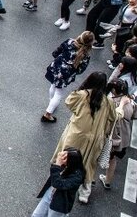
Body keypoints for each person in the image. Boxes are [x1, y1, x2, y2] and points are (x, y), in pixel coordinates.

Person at [51, 71, 120, 204]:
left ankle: (57, 184)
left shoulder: (82, 95)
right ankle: (85, 193)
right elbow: (113, 117)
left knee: (66, 158)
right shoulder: (108, 101)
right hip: (95, 139)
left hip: (76, 134)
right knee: (89, 164)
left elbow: (69, 103)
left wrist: (82, 88)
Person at [43, 31, 95, 123]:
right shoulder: (86, 55)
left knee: (53, 85)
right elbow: (80, 70)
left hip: (56, 67)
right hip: (65, 75)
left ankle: (51, 102)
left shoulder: (69, 42)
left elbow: (55, 53)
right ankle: (48, 113)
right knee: (58, 93)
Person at [99, 80, 137, 190]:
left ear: (113, 90)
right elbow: (136, 115)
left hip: (112, 137)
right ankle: (107, 181)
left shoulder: (111, 103)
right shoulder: (130, 101)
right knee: (113, 159)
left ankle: (90, 181)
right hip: (124, 137)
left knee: (100, 156)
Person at [33, 147, 86, 217]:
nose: (61, 158)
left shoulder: (77, 176)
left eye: (65, 157)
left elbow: (57, 184)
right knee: (36, 215)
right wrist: (57, 165)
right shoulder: (66, 166)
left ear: (71, 161)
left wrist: (57, 165)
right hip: (49, 195)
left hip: (60, 203)